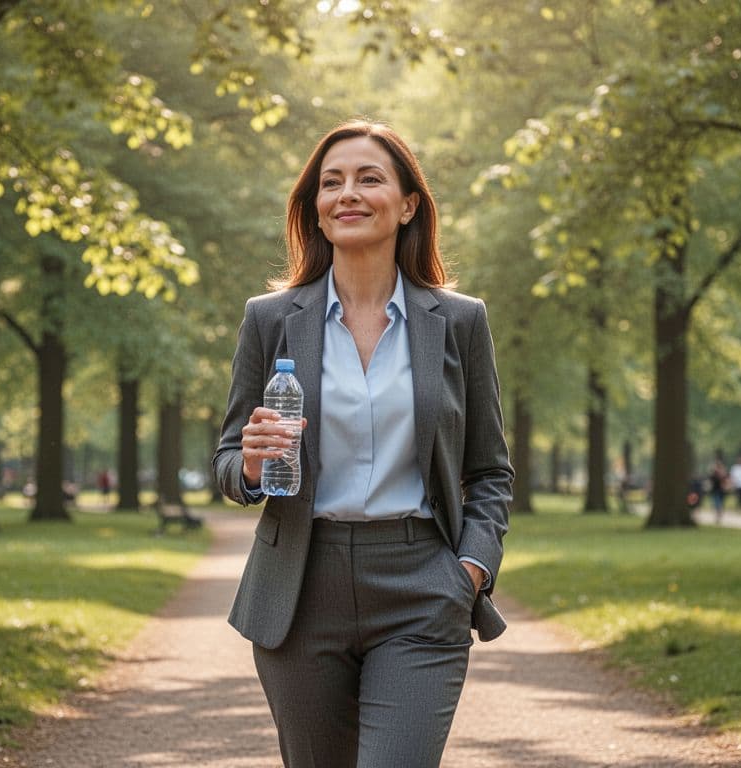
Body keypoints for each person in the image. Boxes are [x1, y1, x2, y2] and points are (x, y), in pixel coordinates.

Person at [214, 119, 513, 768]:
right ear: (316, 213)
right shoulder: (269, 320)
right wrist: (255, 465)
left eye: (369, 178)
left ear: (408, 205)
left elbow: (489, 470)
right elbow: (228, 463)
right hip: (300, 586)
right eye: (331, 183)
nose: (347, 193)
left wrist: (469, 571)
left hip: (421, 585)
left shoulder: (460, 321)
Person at [708, 458, 729, 523]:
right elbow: (711, 481)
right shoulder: (713, 473)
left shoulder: (723, 473)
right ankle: (718, 516)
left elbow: (726, 481)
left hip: (721, 491)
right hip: (715, 490)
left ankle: (719, 515)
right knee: (717, 503)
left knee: (720, 503)